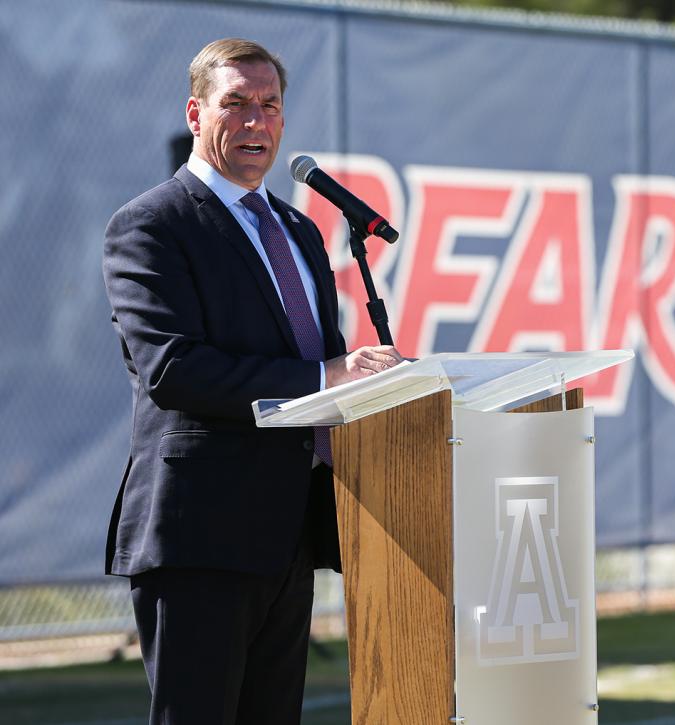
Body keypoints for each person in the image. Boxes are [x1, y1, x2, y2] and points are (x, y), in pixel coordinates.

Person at [102, 38, 400, 724]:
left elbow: (323, 363)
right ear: (196, 113)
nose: (255, 121)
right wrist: (326, 373)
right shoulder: (151, 225)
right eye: (234, 104)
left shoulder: (298, 229)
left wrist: (375, 383)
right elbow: (172, 367)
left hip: (288, 533)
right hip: (199, 532)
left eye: (269, 105)